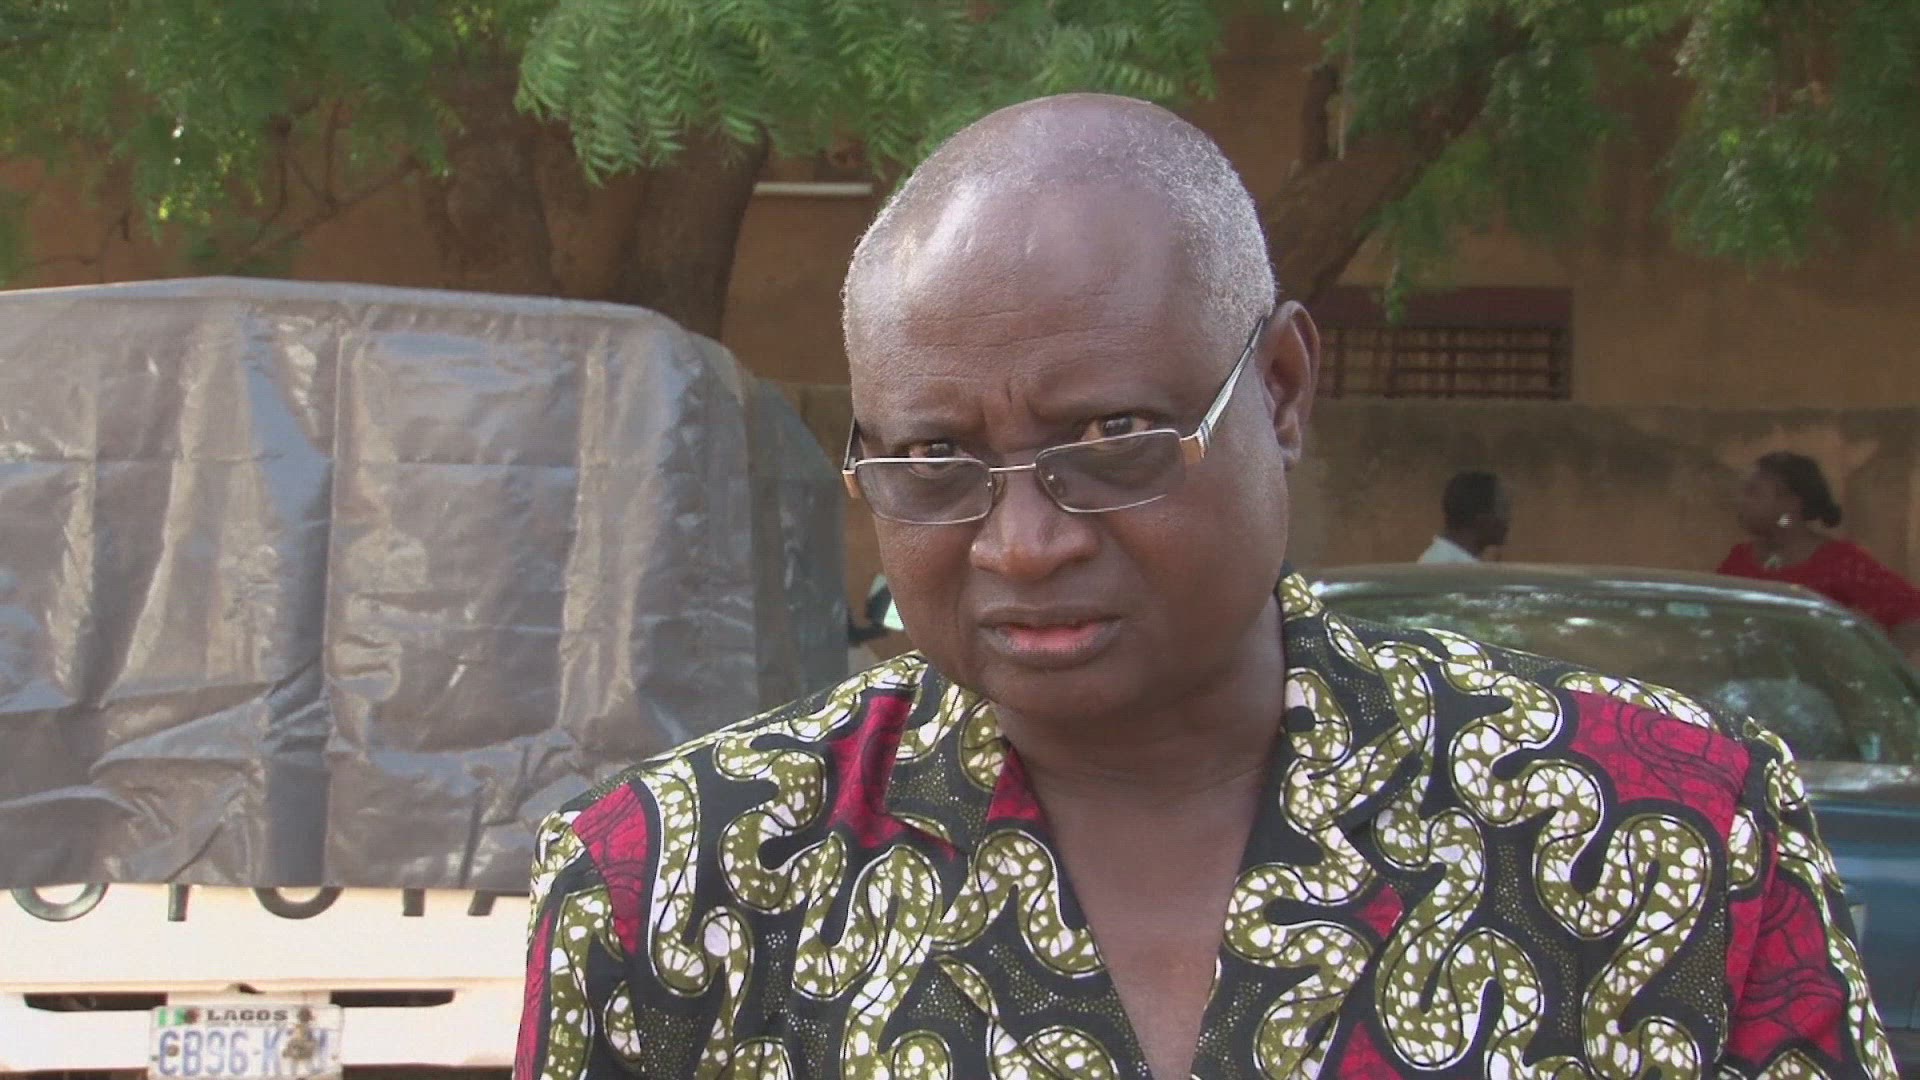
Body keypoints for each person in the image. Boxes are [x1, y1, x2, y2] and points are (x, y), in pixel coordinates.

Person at [515, 97, 1895, 1079]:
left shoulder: (1665, 832)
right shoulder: (676, 885)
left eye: (1113, 434)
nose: (1023, 544)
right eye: (934, 460)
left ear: (1281, 391)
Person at [1719, 451, 1920, 658]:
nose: (1740, 501)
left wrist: (1876, 669)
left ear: (1790, 503)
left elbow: (1912, 614)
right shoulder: (1738, 559)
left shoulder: (1839, 562)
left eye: (1752, 492)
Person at [1418, 469, 1509, 563]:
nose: (1507, 520)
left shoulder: (1455, 561)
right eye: (1503, 510)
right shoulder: (1444, 564)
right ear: (1481, 518)